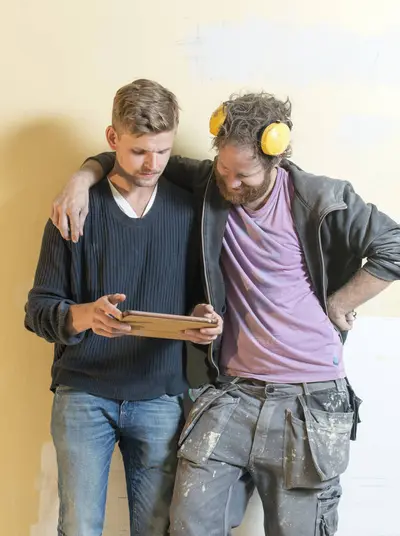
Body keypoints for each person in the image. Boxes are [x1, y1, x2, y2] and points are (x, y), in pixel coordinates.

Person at [50, 91, 400, 536]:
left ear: (276, 159)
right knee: (187, 525)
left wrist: (341, 304)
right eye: (224, 170)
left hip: (309, 396)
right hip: (232, 391)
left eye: (245, 175)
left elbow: (395, 245)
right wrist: (82, 177)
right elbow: (130, 154)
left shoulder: (321, 198)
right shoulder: (208, 184)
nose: (231, 185)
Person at [24, 78, 223, 536]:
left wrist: (204, 322)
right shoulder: (74, 209)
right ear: (112, 139)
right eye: (138, 152)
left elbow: (201, 297)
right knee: (78, 526)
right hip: (83, 395)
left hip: (160, 396)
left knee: (155, 527)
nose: (152, 164)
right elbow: (38, 309)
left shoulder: (188, 209)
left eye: (163, 151)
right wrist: (85, 316)